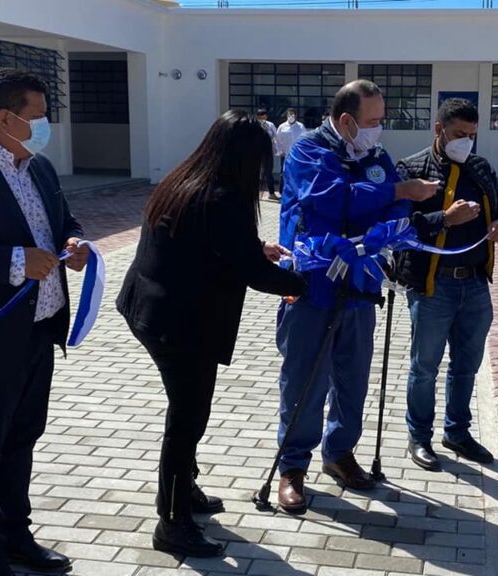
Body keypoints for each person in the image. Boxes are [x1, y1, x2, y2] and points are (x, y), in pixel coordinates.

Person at [116, 110, 306, 556]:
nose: (263, 171)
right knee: (187, 420)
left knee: (186, 414)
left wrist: (256, 249)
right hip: (180, 324)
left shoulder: (186, 179)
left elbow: (213, 244)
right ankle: (173, 522)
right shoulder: (221, 197)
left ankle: (186, 493)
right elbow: (252, 272)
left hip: (152, 309)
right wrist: (303, 284)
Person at [276, 80, 438, 513]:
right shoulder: (308, 150)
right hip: (313, 286)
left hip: (361, 287)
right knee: (305, 381)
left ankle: (339, 452)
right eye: (372, 121)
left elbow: (394, 211)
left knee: (353, 379)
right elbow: (332, 201)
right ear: (346, 120)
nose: (378, 130)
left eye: (381, 121)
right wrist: (398, 193)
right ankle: (292, 467)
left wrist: (394, 207)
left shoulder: (377, 157)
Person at [0, 68, 90, 576]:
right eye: (38, 117)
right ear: (4, 117)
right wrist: (15, 261)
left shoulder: (37, 167)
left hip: (40, 331)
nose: (46, 127)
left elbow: (63, 222)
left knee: (22, 438)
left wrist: (74, 243)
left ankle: (18, 533)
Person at [396, 98, 498, 471]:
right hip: (433, 286)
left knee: (467, 365)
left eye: (471, 135)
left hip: (475, 285)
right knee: (425, 367)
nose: (465, 141)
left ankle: (458, 432)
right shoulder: (412, 169)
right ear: (438, 130)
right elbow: (399, 229)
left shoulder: (479, 168)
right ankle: (419, 436)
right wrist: (444, 219)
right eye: (458, 134)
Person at [275, 108, 306, 195]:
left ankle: (296, 191)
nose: (290, 116)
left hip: (297, 155)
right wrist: (280, 151)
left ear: (296, 116)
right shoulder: (282, 127)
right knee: (284, 173)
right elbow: (277, 140)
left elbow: (304, 139)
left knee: (296, 172)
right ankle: (282, 191)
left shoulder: (300, 126)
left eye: (292, 114)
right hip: (285, 154)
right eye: (289, 114)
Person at [256, 108, 278, 201]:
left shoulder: (270, 125)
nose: (262, 117)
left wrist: (277, 149)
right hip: (256, 151)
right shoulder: (254, 125)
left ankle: (271, 193)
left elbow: (276, 136)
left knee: (268, 171)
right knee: (256, 172)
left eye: (263, 115)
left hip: (268, 151)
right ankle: (255, 193)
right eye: (260, 115)